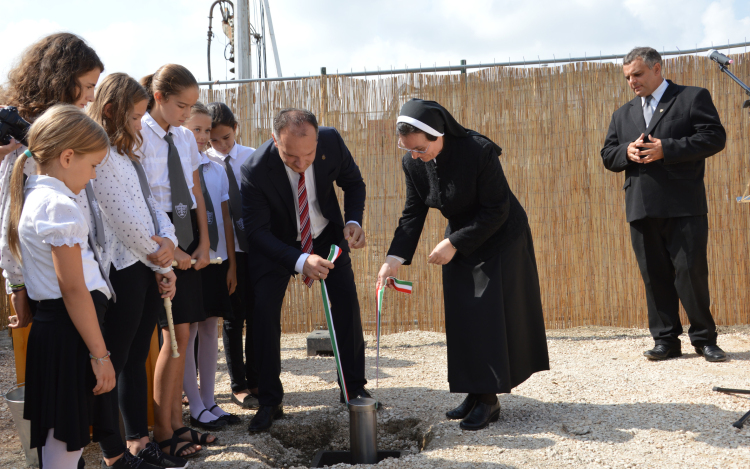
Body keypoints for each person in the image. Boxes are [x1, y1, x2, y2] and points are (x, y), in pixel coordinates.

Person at [376, 99, 550, 431]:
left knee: (485, 315)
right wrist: (393, 260)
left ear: (439, 135)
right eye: (409, 149)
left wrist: (454, 243)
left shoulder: (478, 151)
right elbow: (413, 214)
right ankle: (474, 391)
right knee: (462, 315)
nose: (416, 155)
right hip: (459, 237)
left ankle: (488, 401)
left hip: (500, 237)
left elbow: (497, 209)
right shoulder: (413, 163)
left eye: (421, 148)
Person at [241, 108, 368, 432]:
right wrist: (300, 261)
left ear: (317, 140)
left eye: (308, 154)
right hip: (276, 243)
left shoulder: (332, 141)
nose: (301, 163)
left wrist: (353, 221)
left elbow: (353, 183)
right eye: (290, 156)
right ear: (274, 140)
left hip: (325, 235)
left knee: (346, 307)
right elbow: (256, 232)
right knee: (264, 313)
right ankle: (270, 400)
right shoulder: (254, 169)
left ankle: (353, 387)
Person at [601, 47, 728, 362]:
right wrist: (626, 153)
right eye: (628, 77)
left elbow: (714, 137)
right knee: (654, 276)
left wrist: (666, 149)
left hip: (684, 205)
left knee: (691, 272)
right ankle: (666, 341)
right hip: (641, 206)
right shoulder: (622, 113)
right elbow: (608, 154)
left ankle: (704, 339)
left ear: (657, 68)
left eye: (638, 74)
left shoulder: (691, 98)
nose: (632, 82)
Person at [87, 73, 188, 468]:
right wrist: (161, 255)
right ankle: (116, 449)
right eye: (133, 117)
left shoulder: (128, 153)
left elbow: (150, 207)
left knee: (134, 359)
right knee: (118, 357)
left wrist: (167, 244)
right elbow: (121, 218)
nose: (138, 125)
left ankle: (139, 441)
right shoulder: (101, 154)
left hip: (146, 265)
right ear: (111, 111)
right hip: (125, 268)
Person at [7, 105, 115, 468]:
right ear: (68, 157)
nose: (95, 175)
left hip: (56, 333)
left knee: (58, 440)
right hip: (71, 335)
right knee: (65, 445)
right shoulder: (58, 207)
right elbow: (73, 289)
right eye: (94, 165)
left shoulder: (37, 197)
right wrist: (100, 356)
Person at [1, 33, 104, 333]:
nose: (92, 97)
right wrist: (17, 287)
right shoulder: (32, 142)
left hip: (81, 282)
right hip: (55, 292)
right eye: (87, 87)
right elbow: (10, 220)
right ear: (61, 81)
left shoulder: (68, 134)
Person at [139, 64, 213, 458]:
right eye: (181, 106)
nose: (188, 114)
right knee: (172, 337)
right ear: (160, 97)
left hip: (189, 239)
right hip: (159, 245)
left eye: (192, 106)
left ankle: (178, 421)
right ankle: (163, 427)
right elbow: (144, 201)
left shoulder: (184, 138)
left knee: (184, 337)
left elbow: (196, 189)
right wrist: (174, 251)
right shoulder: (139, 135)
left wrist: (202, 245)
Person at [182, 102, 241, 428]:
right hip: (190, 260)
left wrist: (231, 264)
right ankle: (194, 405)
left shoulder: (216, 169)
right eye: (197, 130)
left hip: (216, 259)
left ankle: (209, 400)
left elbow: (226, 218)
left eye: (207, 130)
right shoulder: (175, 167)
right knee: (187, 331)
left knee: (209, 329)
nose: (204, 137)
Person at [206, 102, 259, 410]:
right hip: (225, 252)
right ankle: (237, 385)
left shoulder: (251, 157)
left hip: (252, 248)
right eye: (215, 140)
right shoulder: (204, 163)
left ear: (235, 129)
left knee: (255, 316)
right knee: (231, 319)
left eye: (226, 137)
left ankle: (255, 380)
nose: (221, 145)